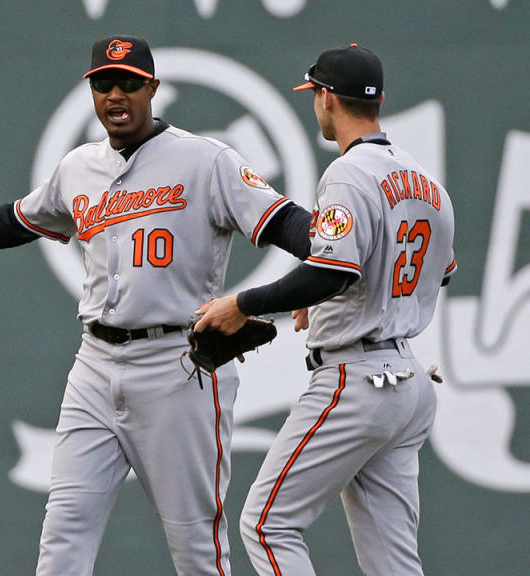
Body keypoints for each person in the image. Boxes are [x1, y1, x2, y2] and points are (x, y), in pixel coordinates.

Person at [0, 35, 314, 576]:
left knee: (197, 551)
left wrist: (333, 266)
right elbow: (13, 220)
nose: (115, 94)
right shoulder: (78, 166)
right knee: (63, 535)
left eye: (129, 83)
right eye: (103, 83)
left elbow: (293, 226)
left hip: (179, 367)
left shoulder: (206, 160)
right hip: (95, 366)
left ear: (153, 89)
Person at [195, 44, 456, 575]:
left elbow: (332, 269)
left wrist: (243, 303)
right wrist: (337, 299)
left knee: (268, 525)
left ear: (327, 98)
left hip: (356, 380)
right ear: (378, 99)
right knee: (392, 558)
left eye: (315, 94)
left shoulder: (348, 173)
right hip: (407, 378)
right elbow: (437, 270)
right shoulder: (428, 183)